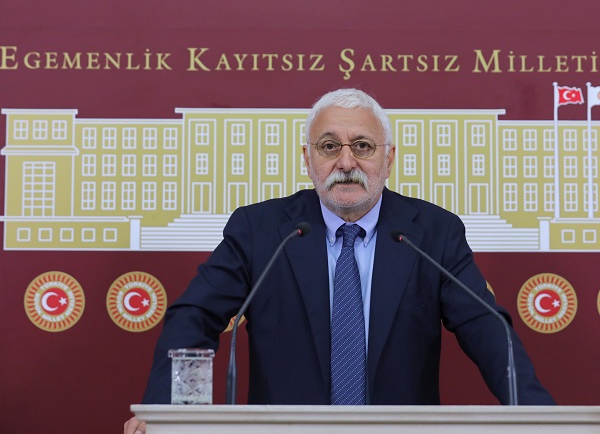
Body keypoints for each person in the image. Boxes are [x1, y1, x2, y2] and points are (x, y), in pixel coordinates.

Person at [124, 88, 554, 433]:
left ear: (388, 158)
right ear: (307, 159)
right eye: (329, 146)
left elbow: (487, 331)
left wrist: (541, 419)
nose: (346, 162)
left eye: (362, 146)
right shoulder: (261, 230)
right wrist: (165, 412)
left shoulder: (433, 233)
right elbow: (194, 317)